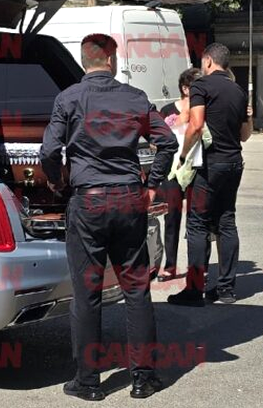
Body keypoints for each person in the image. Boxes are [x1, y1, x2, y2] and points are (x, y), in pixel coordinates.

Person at [41, 33, 178, 400]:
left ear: (84, 60)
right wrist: (153, 183)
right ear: (112, 60)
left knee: (87, 293)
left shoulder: (68, 98)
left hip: (87, 202)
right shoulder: (135, 97)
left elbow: (49, 150)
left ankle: (87, 381)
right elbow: (167, 141)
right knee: (136, 288)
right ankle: (143, 378)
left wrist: (57, 181)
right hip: (129, 199)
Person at [167, 43, 250, 306]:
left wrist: (182, 156)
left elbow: (196, 125)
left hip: (209, 164)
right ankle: (226, 289)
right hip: (234, 162)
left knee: (197, 224)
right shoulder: (238, 90)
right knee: (227, 221)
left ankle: (194, 290)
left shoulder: (201, 86)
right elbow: (244, 135)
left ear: (208, 61)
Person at [155, 67, 202, 281]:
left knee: (196, 219)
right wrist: (180, 121)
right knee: (171, 218)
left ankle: (197, 267)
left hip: (196, 168)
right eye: (197, 85)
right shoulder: (167, 111)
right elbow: (156, 142)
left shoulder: (203, 109)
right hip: (173, 170)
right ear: (185, 88)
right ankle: (170, 266)